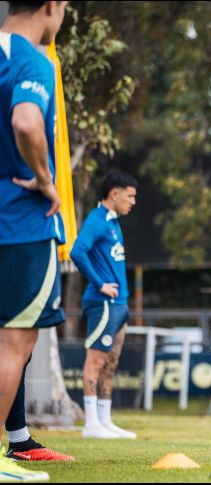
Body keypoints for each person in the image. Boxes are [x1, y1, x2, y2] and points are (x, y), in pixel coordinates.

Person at [0, 1, 69, 480]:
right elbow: (27, 121)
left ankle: (19, 441)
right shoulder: (31, 61)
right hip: (18, 223)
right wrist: (45, 178)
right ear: (51, 6)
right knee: (13, 343)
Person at [70, 170, 137, 439]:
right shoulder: (97, 220)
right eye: (130, 196)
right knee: (96, 360)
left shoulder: (113, 222)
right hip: (103, 303)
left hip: (120, 305)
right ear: (114, 194)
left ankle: (105, 421)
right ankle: (91, 424)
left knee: (111, 362)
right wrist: (99, 283)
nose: (133, 202)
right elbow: (77, 251)